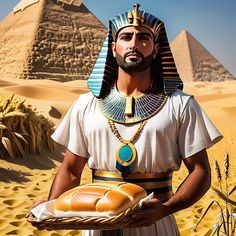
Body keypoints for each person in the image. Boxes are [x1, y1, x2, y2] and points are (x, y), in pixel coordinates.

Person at [29, 4, 223, 236]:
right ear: (113, 47)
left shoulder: (181, 105)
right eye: (126, 37)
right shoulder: (85, 104)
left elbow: (201, 172)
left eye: (143, 38)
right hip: (96, 222)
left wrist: (165, 208)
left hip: (154, 222)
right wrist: (50, 209)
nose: (133, 44)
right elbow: (71, 170)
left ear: (156, 49)